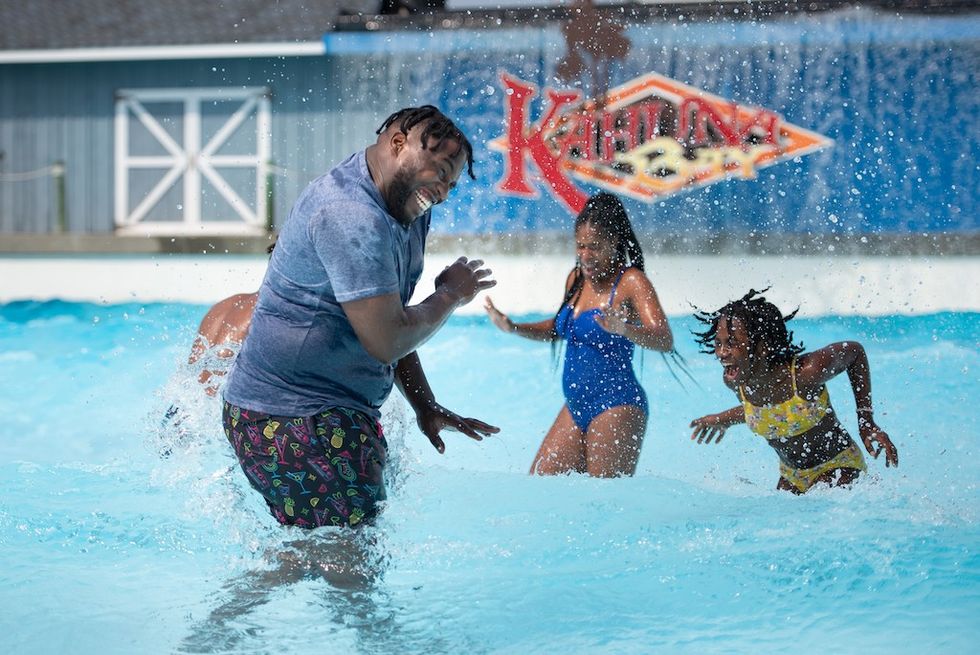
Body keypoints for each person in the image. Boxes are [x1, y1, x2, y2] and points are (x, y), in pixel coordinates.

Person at [221, 105, 498, 529]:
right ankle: (234, 599)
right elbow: (386, 339)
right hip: (291, 417)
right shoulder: (350, 214)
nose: (443, 191)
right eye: (440, 171)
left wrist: (425, 405)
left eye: (452, 183)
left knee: (333, 554)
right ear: (398, 143)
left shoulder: (406, 209)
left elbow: (389, 314)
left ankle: (244, 598)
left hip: (325, 413)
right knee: (349, 560)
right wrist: (450, 295)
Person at [484, 192, 674, 477]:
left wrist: (625, 329)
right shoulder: (576, 280)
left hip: (617, 404)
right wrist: (513, 328)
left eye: (595, 247)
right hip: (576, 406)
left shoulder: (631, 282)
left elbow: (664, 339)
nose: (585, 256)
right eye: (581, 246)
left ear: (615, 242)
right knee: (540, 485)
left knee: (606, 501)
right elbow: (558, 330)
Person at [689, 289, 899, 493]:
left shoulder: (805, 373)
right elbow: (765, 411)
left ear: (761, 346)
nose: (721, 353)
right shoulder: (737, 382)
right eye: (718, 343)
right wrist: (722, 419)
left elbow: (855, 352)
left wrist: (866, 421)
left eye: (731, 343)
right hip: (791, 476)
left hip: (838, 466)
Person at [187, 243, 275, 396]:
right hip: (222, 411)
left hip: (181, 411)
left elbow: (193, 383)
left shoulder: (223, 306)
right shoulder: (270, 313)